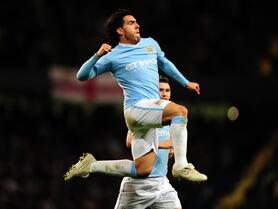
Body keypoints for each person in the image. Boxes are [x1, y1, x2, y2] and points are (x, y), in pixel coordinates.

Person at [64, 8, 207, 182]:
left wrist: (186, 83)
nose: (137, 25)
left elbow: (165, 63)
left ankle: (91, 166)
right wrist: (97, 55)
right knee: (181, 112)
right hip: (136, 108)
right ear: (120, 30)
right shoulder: (113, 56)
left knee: (143, 169)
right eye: (131, 23)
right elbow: (82, 76)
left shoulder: (150, 44)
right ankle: (181, 165)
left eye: (137, 22)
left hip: (148, 112)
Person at [114, 75, 181, 209]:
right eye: (160, 90)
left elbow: (173, 144)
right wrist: (162, 145)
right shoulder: (144, 114)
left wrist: (172, 149)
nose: (164, 93)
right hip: (139, 184)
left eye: (167, 90)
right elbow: (129, 141)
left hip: (161, 183)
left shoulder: (172, 121)